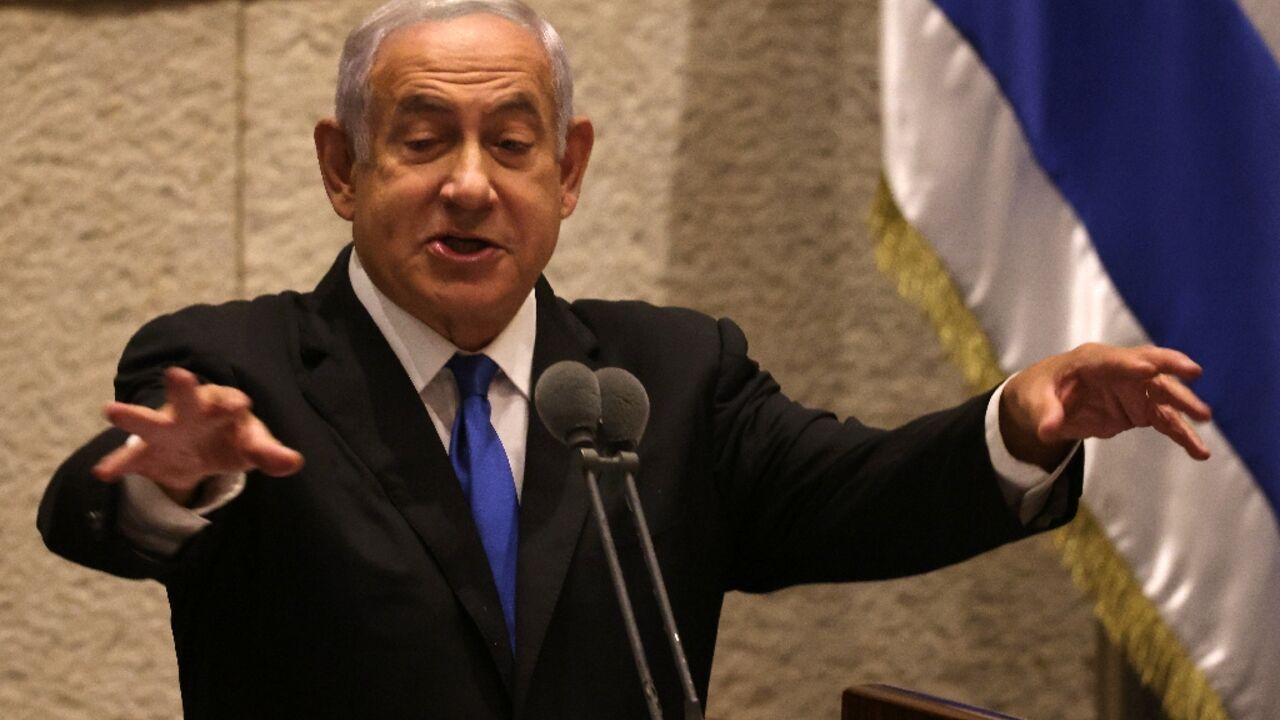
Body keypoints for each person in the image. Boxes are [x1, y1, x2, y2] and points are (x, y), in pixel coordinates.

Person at [38, 1, 1212, 718]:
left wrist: (1018, 421)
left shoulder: (665, 376)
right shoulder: (237, 367)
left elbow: (857, 498)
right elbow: (89, 512)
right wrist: (178, 475)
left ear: (569, 169)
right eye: (422, 140)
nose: (469, 182)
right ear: (342, 168)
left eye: (511, 142)